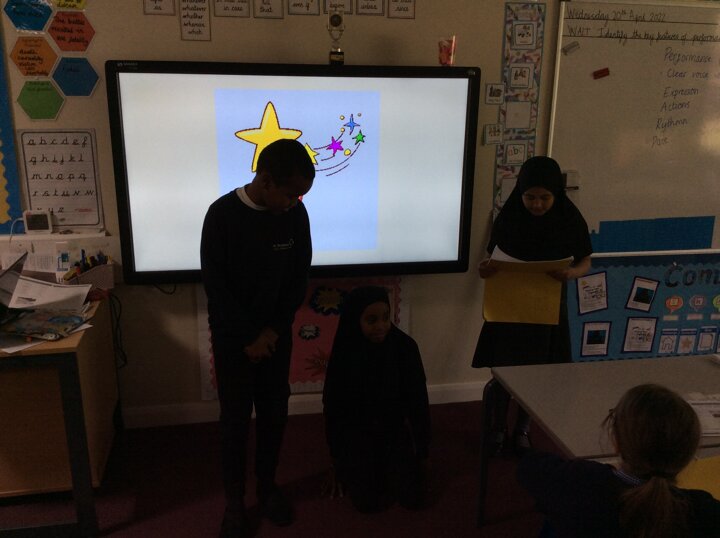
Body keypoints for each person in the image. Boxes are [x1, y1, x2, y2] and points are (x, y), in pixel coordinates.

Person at [200, 138, 315, 538]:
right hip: (233, 340)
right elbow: (216, 287)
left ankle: (267, 487)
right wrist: (249, 336)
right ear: (265, 180)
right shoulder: (221, 215)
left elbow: (298, 279)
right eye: (290, 194)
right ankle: (234, 502)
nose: (295, 202)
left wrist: (271, 332)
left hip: (275, 337)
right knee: (234, 422)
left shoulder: (295, 215)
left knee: (274, 414)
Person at [472, 156, 592, 454]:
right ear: (520, 193)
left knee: (535, 374)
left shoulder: (569, 218)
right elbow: (491, 260)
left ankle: (523, 429)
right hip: (508, 310)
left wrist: (571, 273)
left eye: (544, 198)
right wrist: (484, 269)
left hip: (546, 310)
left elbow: (585, 261)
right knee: (503, 372)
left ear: (556, 194)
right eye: (530, 197)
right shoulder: (509, 217)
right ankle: (498, 428)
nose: (537, 204)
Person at [517, 383, 720, 537]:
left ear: (616, 442)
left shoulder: (581, 481)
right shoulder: (704, 511)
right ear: (688, 455)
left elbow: (528, 467)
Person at [322, 286, 431, 513]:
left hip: (393, 430)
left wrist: (422, 451)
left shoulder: (405, 348)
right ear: (355, 320)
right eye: (371, 320)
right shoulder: (345, 353)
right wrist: (336, 460)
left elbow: (418, 403)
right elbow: (333, 409)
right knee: (366, 504)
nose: (381, 326)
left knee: (412, 497)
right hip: (358, 433)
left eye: (385, 317)